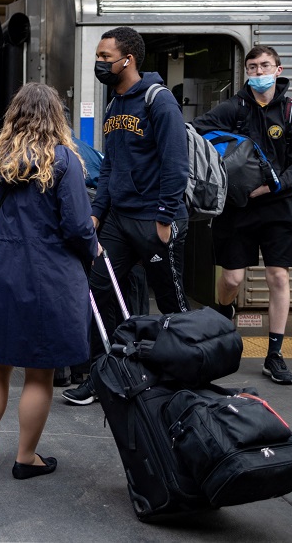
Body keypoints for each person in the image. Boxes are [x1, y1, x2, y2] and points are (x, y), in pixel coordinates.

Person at [0, 83, 99, 479]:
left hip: (0, 271)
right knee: (39, 373)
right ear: (56, 117)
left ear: (14, 114)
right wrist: (92, 250)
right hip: (51, 278)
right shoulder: (64, 161)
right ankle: (26, 458)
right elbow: (77, 226)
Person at [63, 26, 190, 406]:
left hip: (154, 220)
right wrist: (99, 213)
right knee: (98, 290)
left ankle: (185, 374)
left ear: (127, 59)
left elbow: (175, 163)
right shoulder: (114, 104)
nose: (100, 63)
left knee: (171, 302)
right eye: (99, 57)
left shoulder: (158, 100)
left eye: (105, 57)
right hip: (118, 220)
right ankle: (102, 376)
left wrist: (165, 218)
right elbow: (111, 166)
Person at [192, 45, 292, 385]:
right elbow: (197, 130)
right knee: (231, 279)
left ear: (278, 68)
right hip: (237, 208)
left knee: (279, 277)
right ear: (247, 71)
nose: (259, 73)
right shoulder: (234, 107)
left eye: (265, 66)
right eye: (253, 68)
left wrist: (272, 186)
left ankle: (274, 355)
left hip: (279, 207)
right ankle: (224, 312)